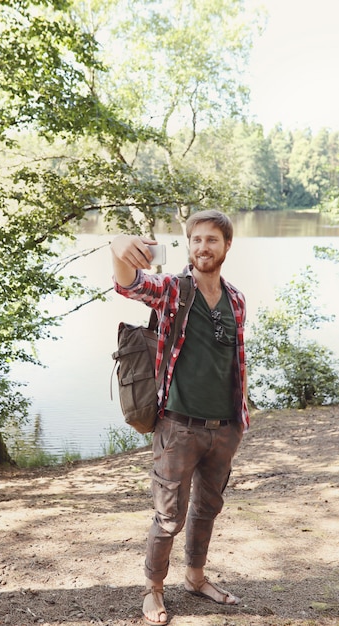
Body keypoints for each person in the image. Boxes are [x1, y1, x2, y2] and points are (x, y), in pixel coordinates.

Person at [110, 209, 249, 626]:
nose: (204, 247)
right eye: (197, 240)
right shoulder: (174, 290)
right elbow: (130, 283)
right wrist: (118, 245)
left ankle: (195, 577)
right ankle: (153, 589)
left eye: (212, 240)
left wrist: (241, 416)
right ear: (188, 246)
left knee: (208, 508)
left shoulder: (237, 298)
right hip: (178, 426)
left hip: (225, 428)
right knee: (169, 516)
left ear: (227, 246)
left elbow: (234, 360)